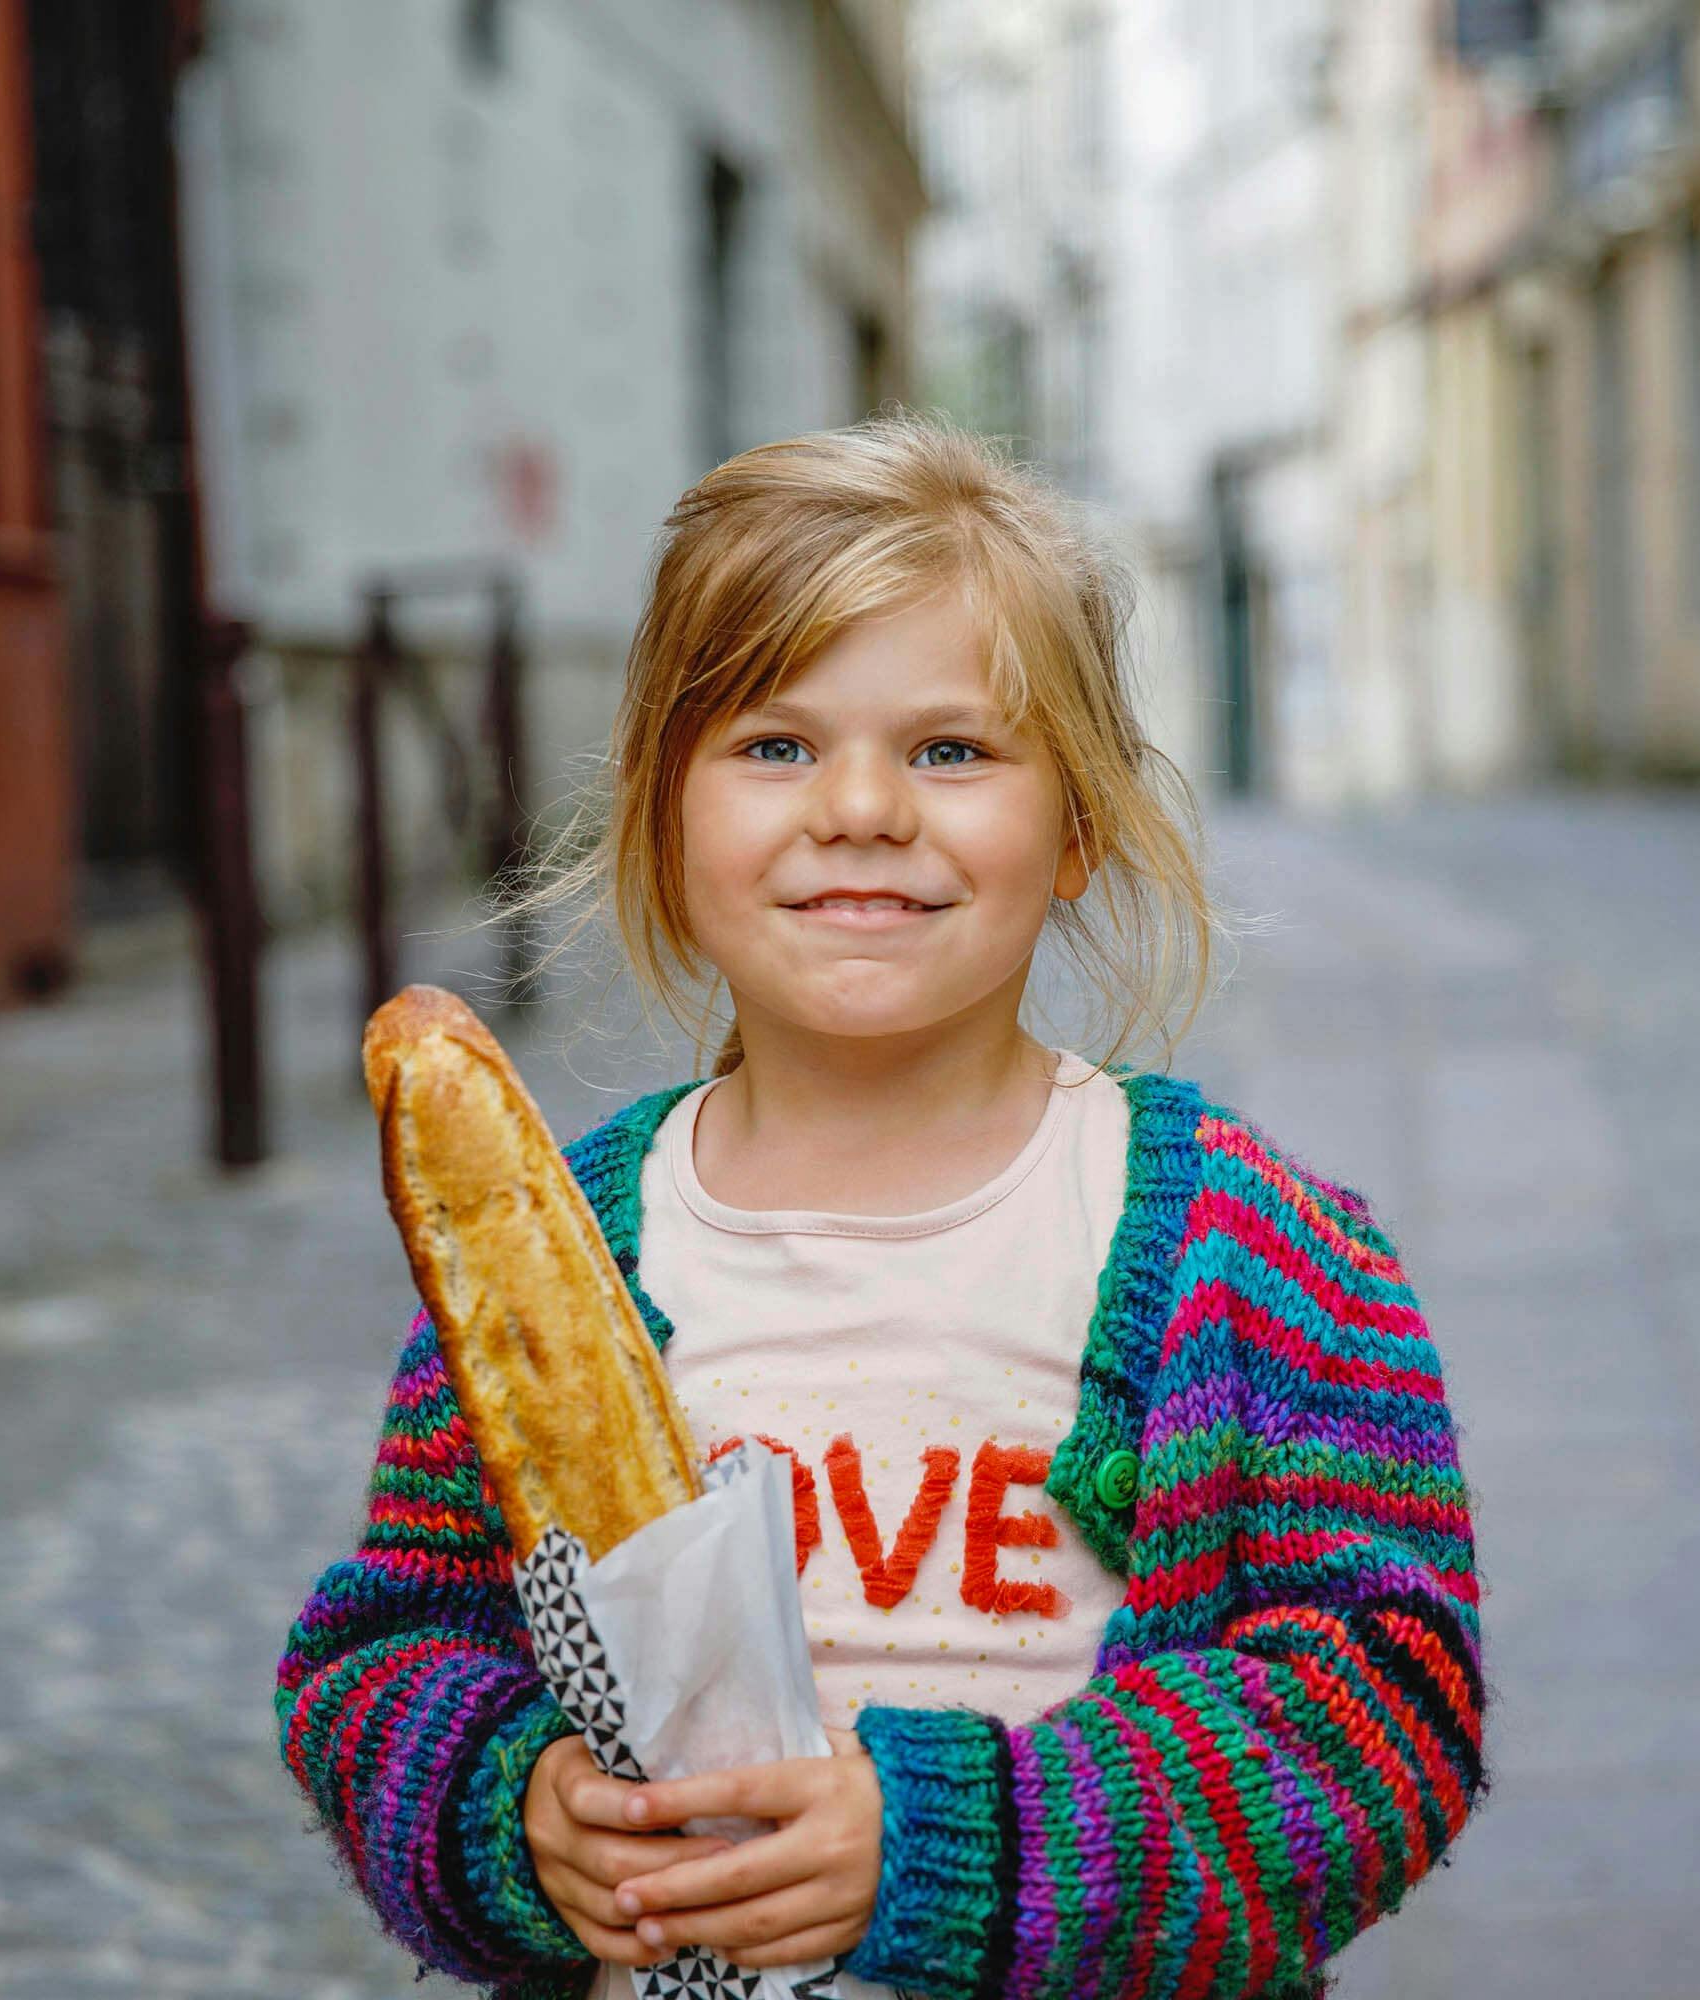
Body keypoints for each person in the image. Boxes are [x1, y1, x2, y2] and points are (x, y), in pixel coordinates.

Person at [273, 415, 1486, 2000]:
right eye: (775, 745)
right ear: (662, 815)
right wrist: (517, 1815)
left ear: (1081, 826)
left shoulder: (1246, 1250)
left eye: (951, 750)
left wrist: (945, 1841)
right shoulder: (550, 1267)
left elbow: (1384, 1712)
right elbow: (383, 1657)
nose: (860, 807)